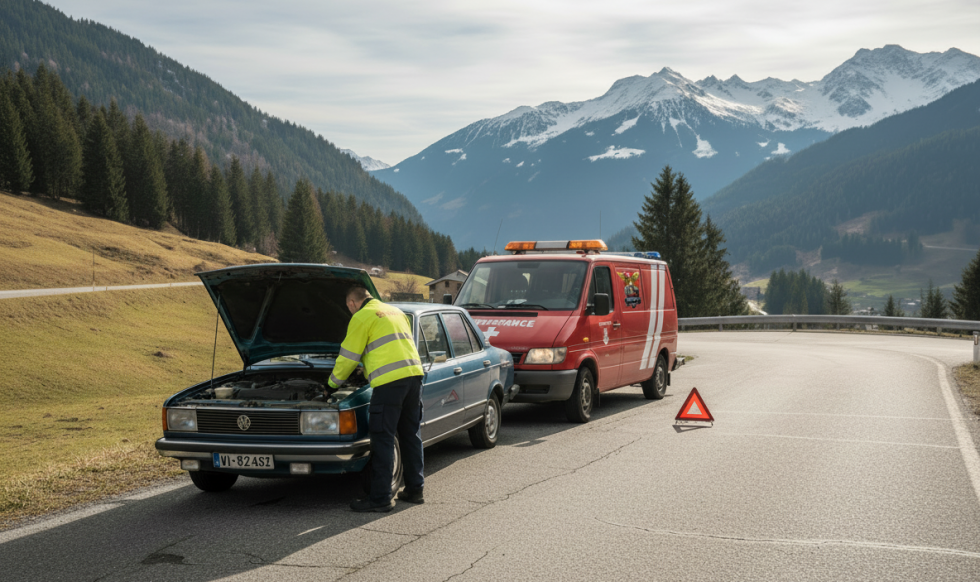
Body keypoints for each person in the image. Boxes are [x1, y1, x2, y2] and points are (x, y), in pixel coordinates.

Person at [329, 286, 425, 512]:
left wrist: (330, 385)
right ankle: (415, 489)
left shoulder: (361, 317)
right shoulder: (396, 312)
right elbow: (390, 347)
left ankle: (380, 498)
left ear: (352, 303)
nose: (350, 311)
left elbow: (348, 358)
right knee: (410, 435)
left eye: (348, 307)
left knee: (383, 437)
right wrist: (368, 367)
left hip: (390, 384)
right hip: (414, 377)